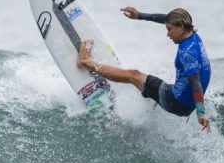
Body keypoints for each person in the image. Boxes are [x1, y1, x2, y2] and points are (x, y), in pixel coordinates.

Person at [77, 7, 211, 132]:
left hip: (174, 101)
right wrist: (140, 15)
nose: (167, 34)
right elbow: (166, 19)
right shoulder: (192, 35)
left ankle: (86, 62)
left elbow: (195, 82)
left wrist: (201, 113)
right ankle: (141, 115)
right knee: (152, 88)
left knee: (133, 75)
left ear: (181, 27)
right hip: (186, 103)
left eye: (169, 29)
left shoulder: (187, 52)